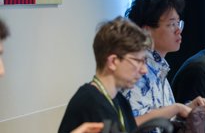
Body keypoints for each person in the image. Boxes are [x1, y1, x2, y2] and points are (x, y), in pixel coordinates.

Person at [58, 16, 194, 133]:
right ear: (113, 61)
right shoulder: (88, 103)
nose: (144, 70)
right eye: (137, 61)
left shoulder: (119, 101)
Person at [122, 0, 205, 126]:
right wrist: (177, 108)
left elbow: (163, 121)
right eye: (171, 24)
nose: (178, 30)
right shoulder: (136, 73)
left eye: (178, 23)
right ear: (146, 31)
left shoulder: (159, 70)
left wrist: (187, 109)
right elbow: (131, 125)